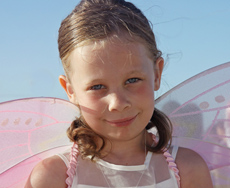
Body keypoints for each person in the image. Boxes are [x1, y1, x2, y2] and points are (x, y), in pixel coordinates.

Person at [25, 0, 213, 187]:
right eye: (97, 86)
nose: (118, 103)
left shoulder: (188, 169)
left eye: (132, 80)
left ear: (157, 74)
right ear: (70, 90)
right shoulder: (51, 178)